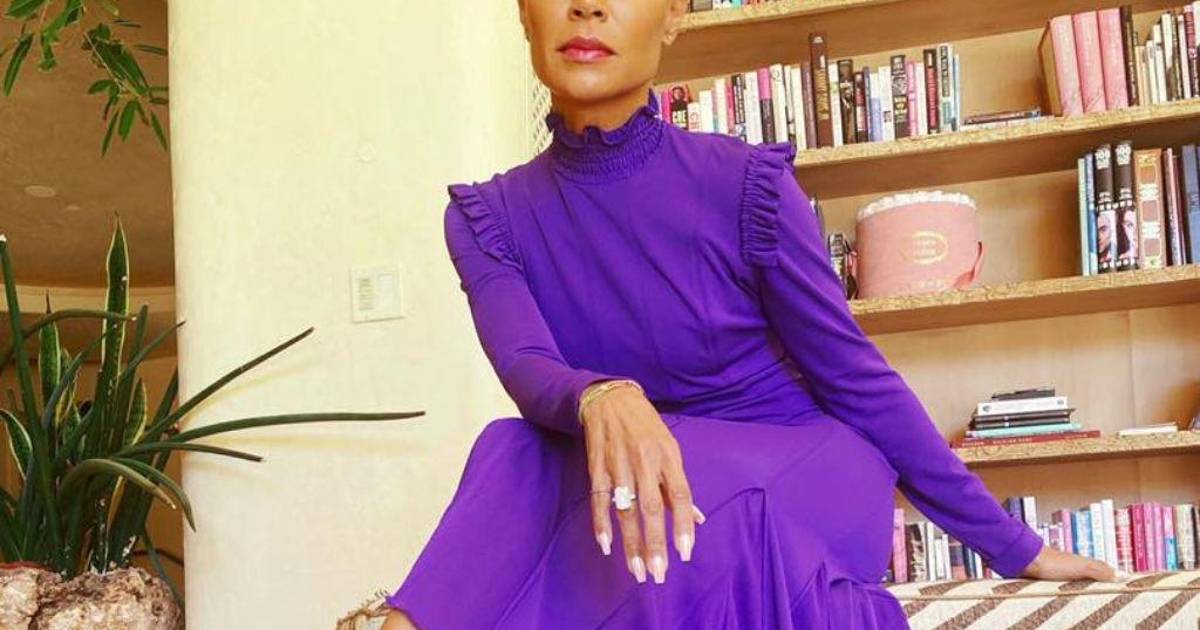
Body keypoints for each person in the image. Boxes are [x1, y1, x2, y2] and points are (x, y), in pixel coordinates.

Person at [382, 1, 1117, 628]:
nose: (588, 6)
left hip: (798, 462)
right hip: (632, 476)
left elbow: (856, 378)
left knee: (668, 495)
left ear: (674, 14)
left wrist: (1014, 546)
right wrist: (601, 395)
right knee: (513, 449)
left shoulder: (745, 184)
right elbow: (526, 365)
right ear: (523, 11)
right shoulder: (489, 218)